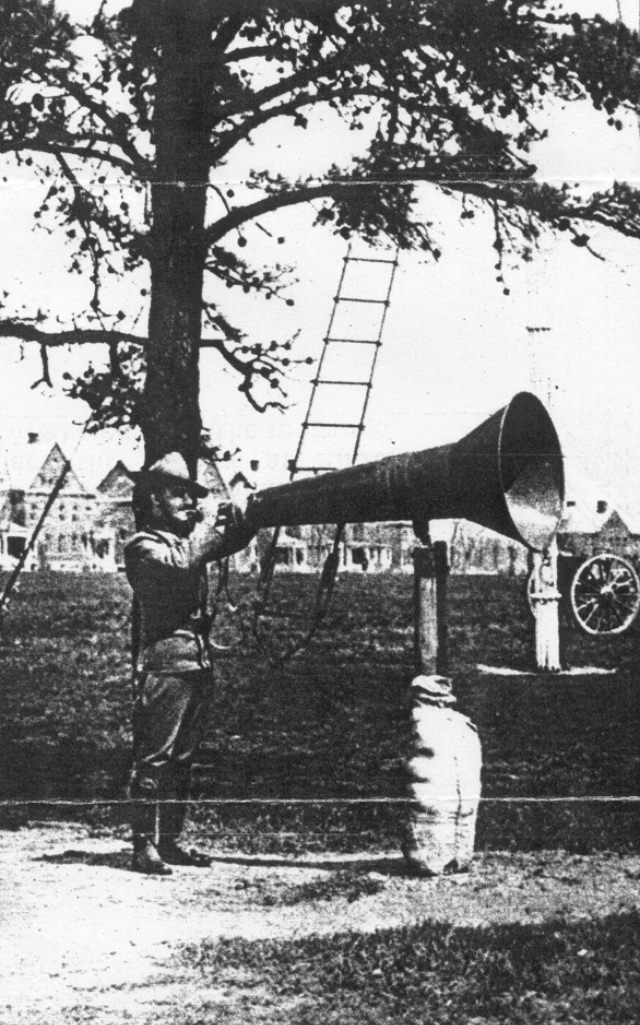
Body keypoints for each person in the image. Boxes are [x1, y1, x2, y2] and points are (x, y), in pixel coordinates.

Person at [124, 451, 253, 875]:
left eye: (189, 495)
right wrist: (208, 525)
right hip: (166, 665)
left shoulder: (187, 540)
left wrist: (244, 514)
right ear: (155, 500)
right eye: (177, 494)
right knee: (155, 757)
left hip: (197, 661)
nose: (187, 502)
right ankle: (143, 844)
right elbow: (182, 566)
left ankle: (171, 841)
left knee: (184, 759)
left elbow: (230, 540)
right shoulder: (143, 546)